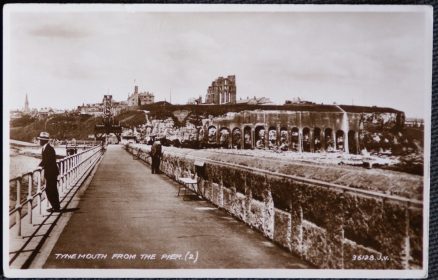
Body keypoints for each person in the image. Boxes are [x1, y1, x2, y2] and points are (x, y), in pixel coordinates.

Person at [38, 132, 61, 212]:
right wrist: (40, 165)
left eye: (40, 140)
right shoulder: (46, 148)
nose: (39, 141)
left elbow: (47, 161)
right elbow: (45, 160)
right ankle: (55, 206)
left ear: (43, 141)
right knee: (51, 189)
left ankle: (56, 207)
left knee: (51, 190)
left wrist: (40, 166)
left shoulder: (48, 149)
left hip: (51, 172)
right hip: (51, 172)